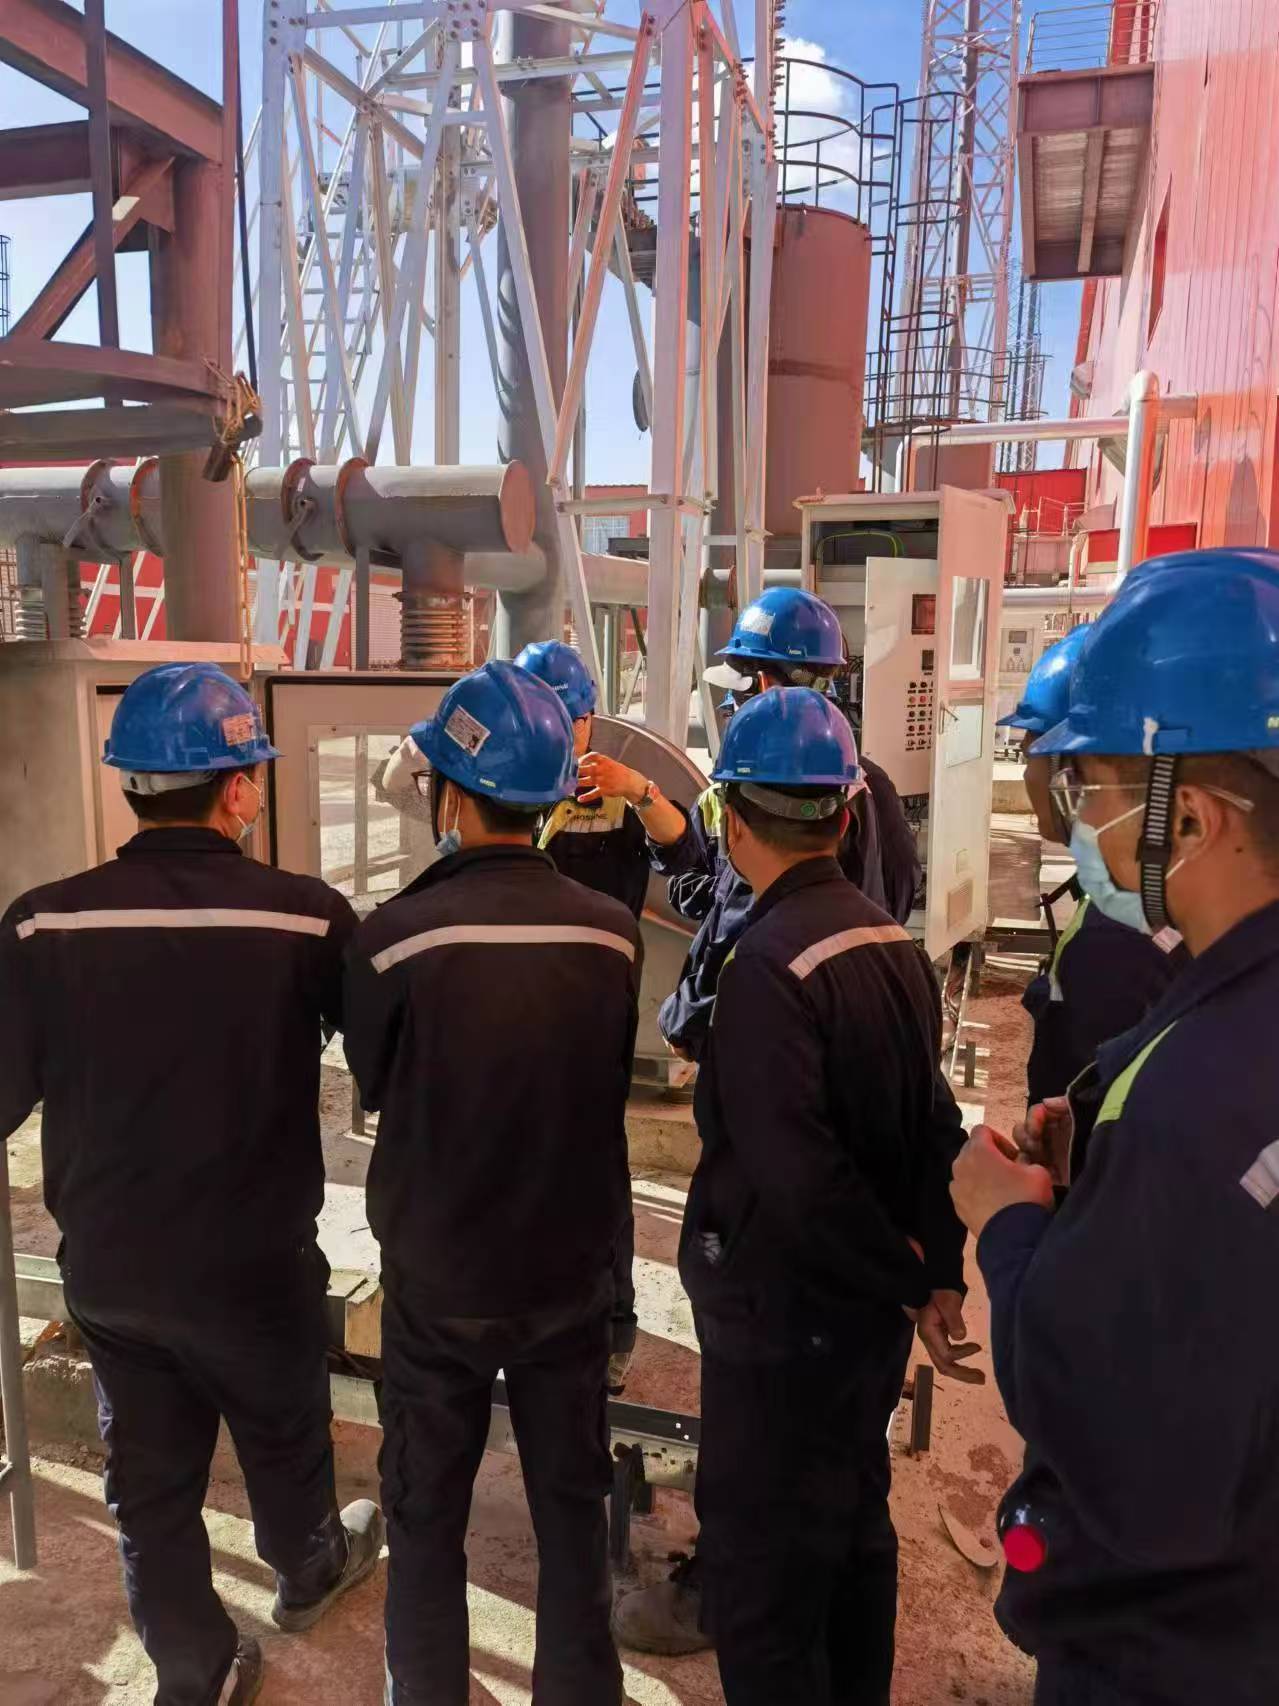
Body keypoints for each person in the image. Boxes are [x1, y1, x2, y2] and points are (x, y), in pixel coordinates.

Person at [0, 662, 382, 1706]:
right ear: (238, 786)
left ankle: (191, 1667)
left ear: (130, 782)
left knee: (150, 1479)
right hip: (254, 1262)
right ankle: (306, 1569)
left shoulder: (41, 925)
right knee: (284, 1431)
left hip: (113, 1265)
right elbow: (386, 1063)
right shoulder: (307, 919)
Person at [951, 549, 1279, 1705]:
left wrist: (1008, 1226)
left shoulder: (1193, 1099)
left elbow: (1092, 1403)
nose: (1077, 822)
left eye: (1089, 789)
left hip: (1165, 1653)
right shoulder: (1228, 1019)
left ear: (1187, 814)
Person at [652, 686, 974, 1702]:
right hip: (863, 1321)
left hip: (783, 1320)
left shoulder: (765, 965)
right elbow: (935, 1123)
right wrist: (930, 1268)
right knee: (853, 1522)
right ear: (842, 816)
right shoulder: (890, 943)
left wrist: (905, 1274)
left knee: (762, 1574)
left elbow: (794, 1176)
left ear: (734, 822)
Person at [343, 660, 642, 1706]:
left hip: (439, 1276)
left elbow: (375, 1081)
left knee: (426, 1512)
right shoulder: (610, 934)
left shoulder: (390, 941)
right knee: (570, 1505)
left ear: (453, 797)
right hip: (567, 1271)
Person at [596, 586, 919, 1066]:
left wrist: (684, 1020)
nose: (731, 704)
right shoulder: (870, 781)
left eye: (738, 687)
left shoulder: (749, 800)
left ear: (764, 684)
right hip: (855, 1011)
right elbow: (902, 886)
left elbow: (736, 918)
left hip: (767, 1028)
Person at [513, 638, 664, 1393]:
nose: (553, 732)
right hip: (516, 1001)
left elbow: (690, 860)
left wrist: (643, 793)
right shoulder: (506, 790)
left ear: (588, 722)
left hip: (596, 1002)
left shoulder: (620, 793)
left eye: (564, 718)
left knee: (597, 1161)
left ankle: (611, 1325)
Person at [1001, 625, 1182, 1104]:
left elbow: (1087, 1122)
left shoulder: (1116, 935)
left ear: (1073, 771)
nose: (1026, 771)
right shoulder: (1168, 890)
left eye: (1029, 752)